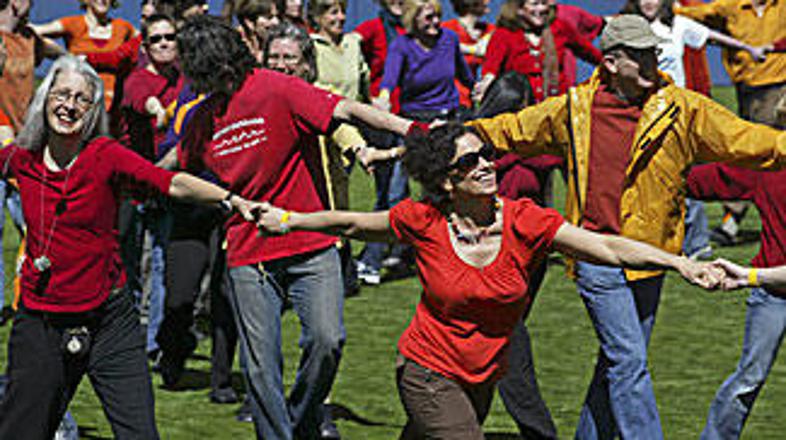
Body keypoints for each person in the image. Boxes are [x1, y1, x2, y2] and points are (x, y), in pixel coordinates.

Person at [253, 122, 718, 440]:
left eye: (487, 154)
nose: (486, 164)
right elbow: (354, 223)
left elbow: (610, 247)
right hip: (427, 370)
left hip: (481, 376)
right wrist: (290, 219)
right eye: (470, 160)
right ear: (448, 181)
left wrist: (678, 263)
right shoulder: (423, 219)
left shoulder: (525, 221)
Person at [465, 15, 786, 439]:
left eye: (653, 51)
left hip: (650, 258)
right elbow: (512, 128)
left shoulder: (681, 106)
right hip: (597, 257)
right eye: (641, 54)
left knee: (615, 364)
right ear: (613, 62)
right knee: (629, 360)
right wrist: (454, 134)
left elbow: (746, 139)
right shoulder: (575, 107)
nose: (653, 59)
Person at [175, 15, 413, 439]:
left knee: (327, 340)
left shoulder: (275, 87)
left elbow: (344, 110)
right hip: (248, 254)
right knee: (260, 364)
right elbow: (179, 173)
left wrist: (412, 130)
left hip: (310, 241)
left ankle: (302, 419)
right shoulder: (200, 121)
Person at [0, 54, 258, 440]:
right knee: (21, 431)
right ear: (45, 98)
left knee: (139, 433)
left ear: (91, 111)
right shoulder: (21, 159)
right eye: (62, 94)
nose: (69, 105)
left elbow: (171, 182)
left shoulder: (105, 155)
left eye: (81, 99)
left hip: (110, 322)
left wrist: (230, 200)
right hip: (41, 323)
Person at [622, 0, 764, 261]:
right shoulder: (626, 27)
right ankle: (645, 241)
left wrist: (749, 48)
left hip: (676, 113)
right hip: (639, 113)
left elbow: (712, 37)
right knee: (641, 178)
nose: (649, 2)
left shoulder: (678, 25)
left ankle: (697, 244)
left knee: (684, 177)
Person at [473, 71, 559, 439]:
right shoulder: (488, 152)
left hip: (528, 261)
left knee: (489, 345)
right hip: (496, 260)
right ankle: (540, 433)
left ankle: (455, 422)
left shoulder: (510, 149)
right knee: (511, 347)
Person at [685, 163, 786, 439]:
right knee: (749, 379)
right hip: (772, 292)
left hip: (765, 283)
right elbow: (709, 179)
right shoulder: (772, 164)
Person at [675, 0, 785, 246]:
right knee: (755, 156)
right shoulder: (731, 6)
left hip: (778, 89)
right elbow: (697, 14)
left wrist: (777, 47)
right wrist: (668, 9)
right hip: (747, 90)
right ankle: (734, 221)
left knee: (760, 156)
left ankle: (731, 222)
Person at [0, 0, 63, 323]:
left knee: (32, 222)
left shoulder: (29, 39)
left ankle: (29, 294)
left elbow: (60, 53)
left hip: (25, 141)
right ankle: (0, 303)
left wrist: (73, 62)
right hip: (0, 134)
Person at [352, 0, 407, 285]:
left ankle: (398, 250)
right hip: (383, 122)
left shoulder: (414, 27)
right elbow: (350, 46)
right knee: (390, 193)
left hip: (410, 119)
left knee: (400, 192)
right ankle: (372, 260)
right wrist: (367, 96)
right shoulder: (373, 28)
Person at [475, 0, 601, 104]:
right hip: (519, 109)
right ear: (519, 8)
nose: (540, 9)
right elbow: (491, 69)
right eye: (534, 4)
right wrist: (485, 86)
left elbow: (593, 55)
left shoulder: (560, 28)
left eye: (544, 3)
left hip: (556, 107)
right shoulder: (504, 34)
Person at [32, 0, 138, 116]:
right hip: (78, 103)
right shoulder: (73, 24)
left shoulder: (123, 28)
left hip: (113, 106)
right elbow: (34, 31)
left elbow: (147, 39)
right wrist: (63, 55)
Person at [441, 0, 495, 110]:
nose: (489, 1)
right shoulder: (447, 29)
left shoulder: (489, 30)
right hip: (450, 99)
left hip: (475, 97)